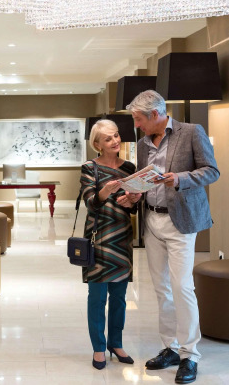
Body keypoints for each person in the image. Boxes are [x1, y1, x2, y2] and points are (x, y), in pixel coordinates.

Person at [127, 90, 219, 384]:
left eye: (139, 119)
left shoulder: (191, 132)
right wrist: (134, 194)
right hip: (151, 221)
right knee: (162, 289)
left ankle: (190, 354)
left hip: (181, 221)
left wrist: (180, 178)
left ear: (155, 114)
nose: (136, 125)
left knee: (182, 287)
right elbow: (145, 179)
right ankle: (170, 348)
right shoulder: (143, 143)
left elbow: (211, 171)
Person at [81, 119, 141, 370]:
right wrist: (105, 191)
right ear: (98, 144)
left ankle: (116, 344)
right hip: (98, 239)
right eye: (108, 138)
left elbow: (133, 206)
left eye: (116, 135)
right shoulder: (89, 167)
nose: (115, 141)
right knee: (97, 298)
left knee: (119, 297)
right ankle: (98, 348)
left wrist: (134, 200)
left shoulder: (129, 167)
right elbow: (90, 202)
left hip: (122, 237)